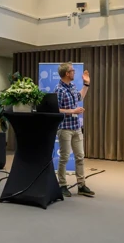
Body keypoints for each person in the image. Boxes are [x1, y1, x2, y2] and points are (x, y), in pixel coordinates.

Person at [55, 62, 95, 197]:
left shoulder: (71, 86)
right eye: (72, 70)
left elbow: (79, 97)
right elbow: (56, 109)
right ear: (67, 73)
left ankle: (81, 185)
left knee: (80, 156)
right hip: (65, 128)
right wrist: (73, 110)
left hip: (76, 127)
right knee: (64, 157)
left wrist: (86, 84)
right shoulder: (59, 89)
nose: (74, 72)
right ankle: (62, 185)